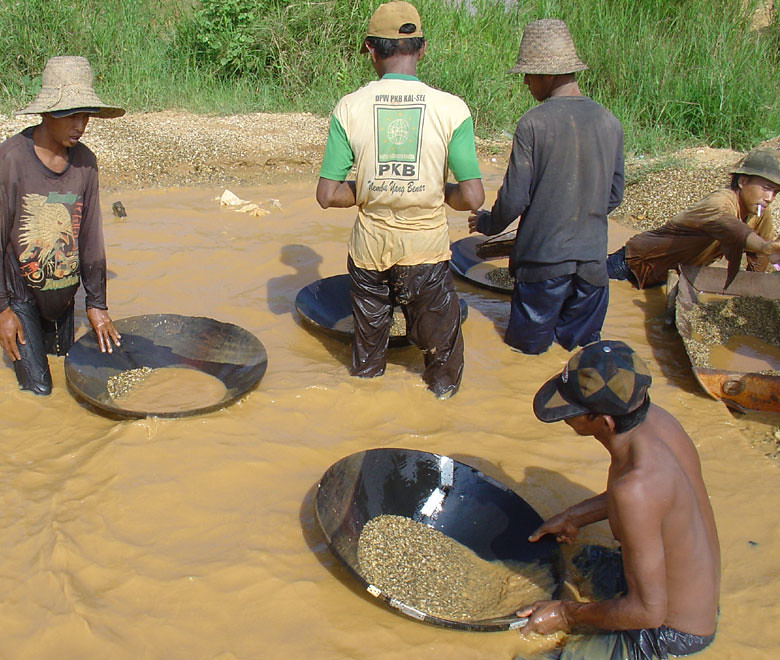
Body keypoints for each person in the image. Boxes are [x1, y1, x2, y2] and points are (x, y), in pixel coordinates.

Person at [514, 340, 720, 660]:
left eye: (572, 409)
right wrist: (576, 515)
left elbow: (647, 613)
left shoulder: (635, 490)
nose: (565, 416)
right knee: (580, 559)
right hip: (693, 593)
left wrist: (566, 614)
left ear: (604, 422)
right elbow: (655, 497)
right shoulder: (656, 421)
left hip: (672, 630)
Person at [316, 1, 484, 398]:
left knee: (367, 366)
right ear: (421, 49)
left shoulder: (349, 107)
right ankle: (438, 420)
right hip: (426, 253)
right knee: (443, 366)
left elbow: (327, 195)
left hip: (369, 254)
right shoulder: (452, 109)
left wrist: (370, 187)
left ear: (372, 50)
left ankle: (366, 422)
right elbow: (473, 196)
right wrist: (437, 190)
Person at [468, 19, 624, 355]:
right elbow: (614, 195)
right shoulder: (610, 122)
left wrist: (486, 224)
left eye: (528, 73)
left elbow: (513, 199)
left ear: (548, 75)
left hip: (543, 267)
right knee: (581, 360)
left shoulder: (534, 123)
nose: (525, 81)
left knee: (524, 357)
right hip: (593, 269)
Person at [0, 56, 124, 396]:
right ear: (46, 114)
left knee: (68, 372)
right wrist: (1, 310)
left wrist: (97, 304)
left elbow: (90, 238)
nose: (81, 124)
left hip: (64, 292)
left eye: (86, 115)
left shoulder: (85, 163)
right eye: (72, 114)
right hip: (21, 295)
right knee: (40, 390)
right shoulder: (9, 160)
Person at [607, 148, 780, 289]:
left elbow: (760, 256)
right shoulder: (719, 202)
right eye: (766, 188)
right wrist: (763, 246)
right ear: (742, 182)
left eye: (775, 192)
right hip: (633, 265)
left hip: (670, 275)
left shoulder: (759, 214)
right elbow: (729, 226)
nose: (770, 197)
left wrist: (752, 290)